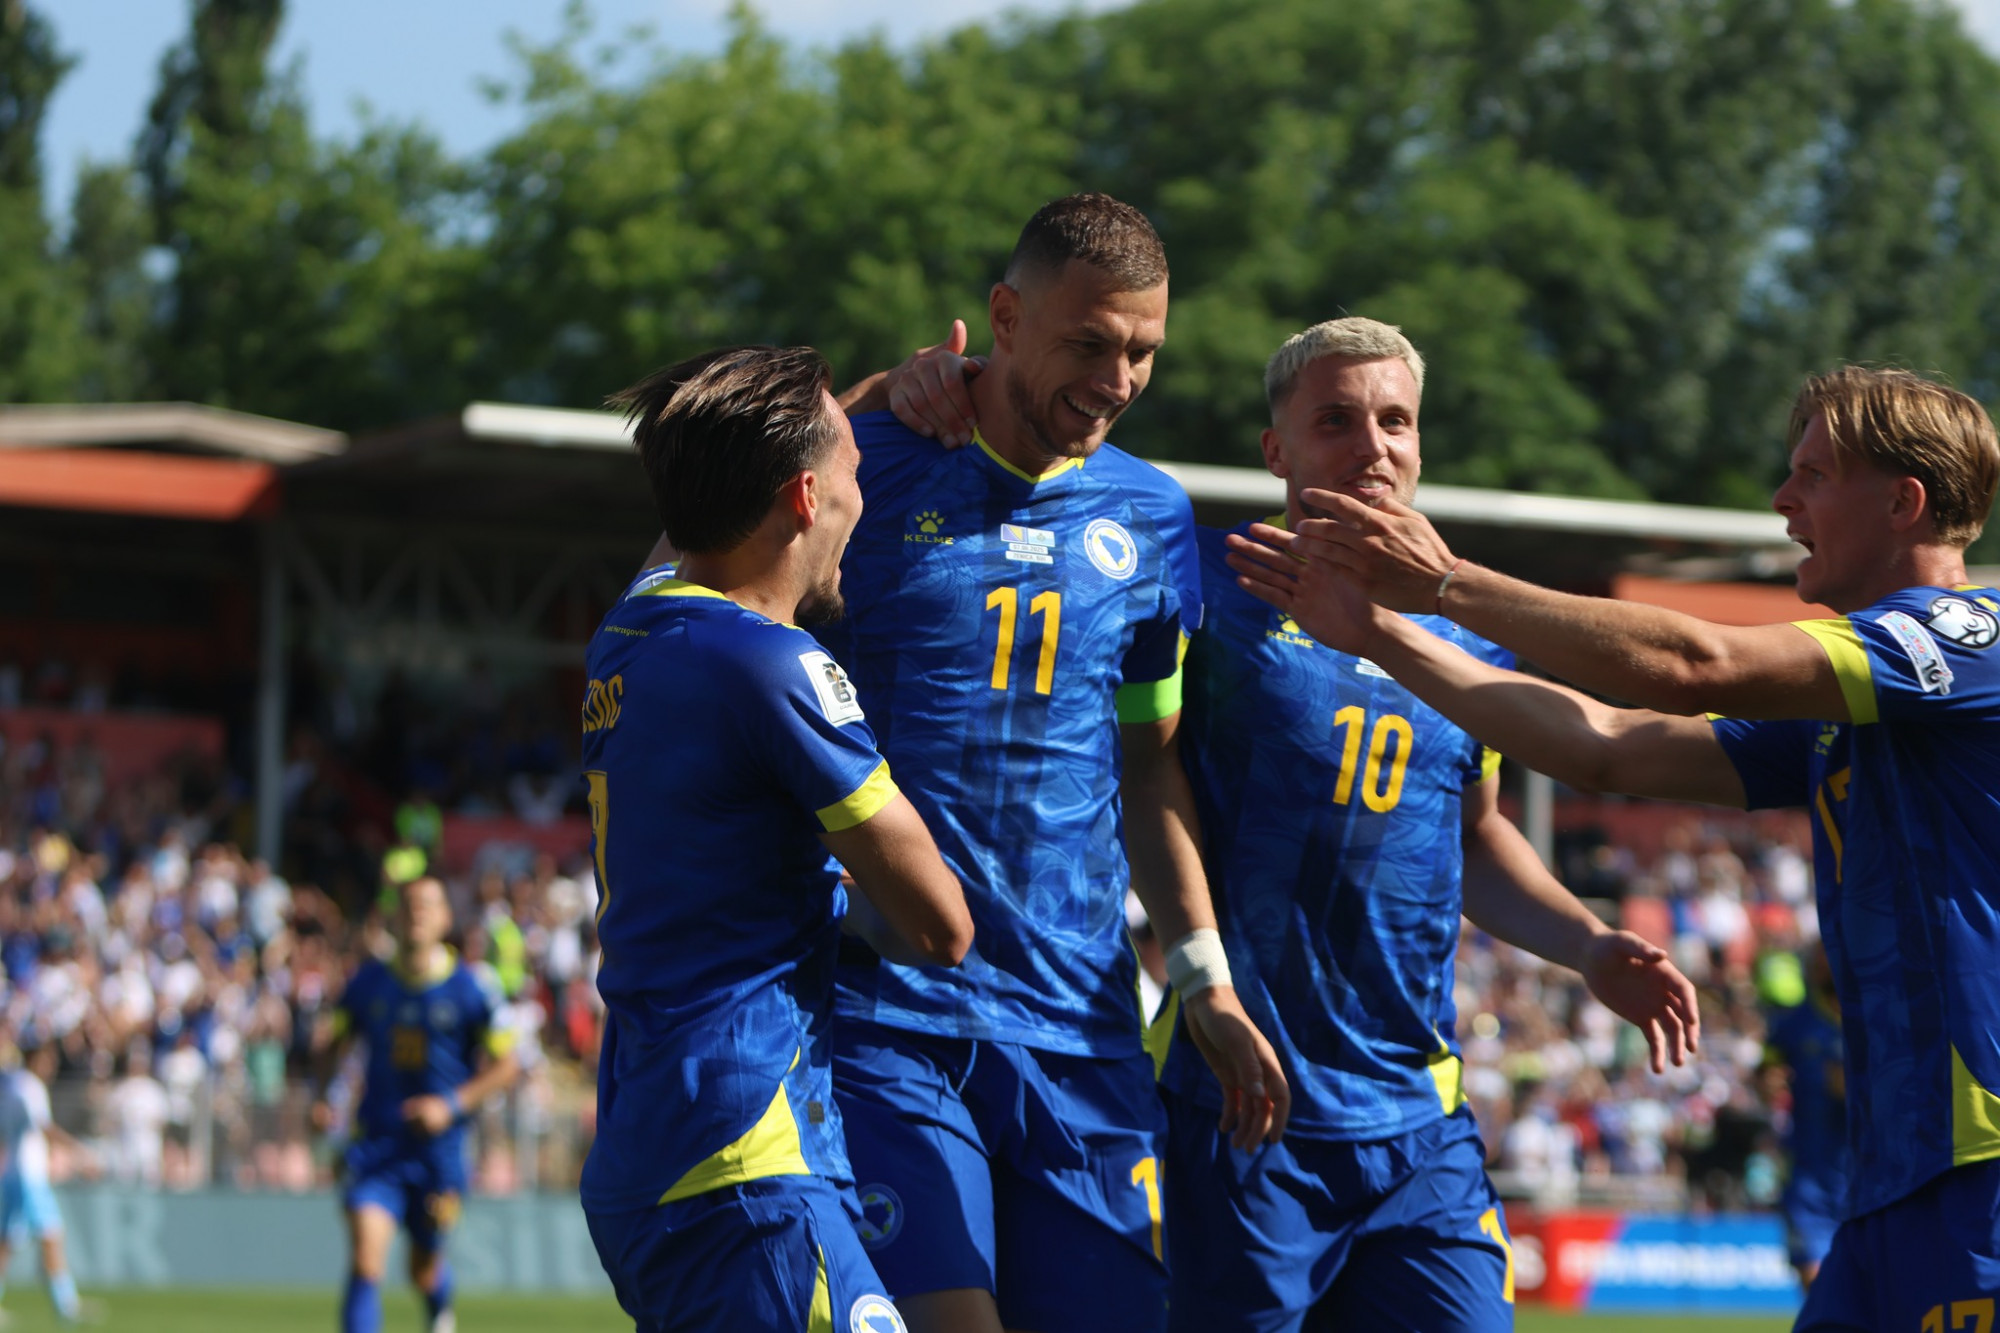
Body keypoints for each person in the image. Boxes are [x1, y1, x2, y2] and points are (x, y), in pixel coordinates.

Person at [877, 315, 1697, 1331]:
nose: (1371, 446)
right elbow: (1147, 771)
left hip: (1418, 1120)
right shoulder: (1203, 585)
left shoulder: (1471, 634)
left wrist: (1587, 943)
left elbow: (1475, 837)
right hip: (1242, 1103)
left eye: (1394, 421)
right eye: (1334, 421)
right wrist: (1201, 978)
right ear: (1277, 451)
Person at [1226, 363, 2000, 1332]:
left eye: (1812, 474)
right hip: (1895, 1182)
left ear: (1901, 503)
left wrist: (1446, 585)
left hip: (1980, 1176)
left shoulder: (1969, 639)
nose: (1781, 499)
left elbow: (1694, 662)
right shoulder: (1851, 707)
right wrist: (1382, 635)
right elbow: (1604, 745)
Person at [825, 192, 1287, 1333]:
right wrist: (857, 402)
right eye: (1089, 343)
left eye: (1143, 351)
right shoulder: (863, 469)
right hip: (889, 1010)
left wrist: (1201, 975)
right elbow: (685, 604)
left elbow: (1149, 769)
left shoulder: (1155, 515)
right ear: (1003, 318)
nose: (1118, 379)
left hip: (1081, 1028)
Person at [580, 345, 971, 1333]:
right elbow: (941, 925)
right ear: (802, 497)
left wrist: (861, 400)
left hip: (651, 1150)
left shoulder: (628, 630)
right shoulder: (776, 666)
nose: (861, 502)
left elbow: (687, 520)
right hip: (746, 1157)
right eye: (854, 473)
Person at [312, 876, 519, 1333]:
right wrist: (322, 1096)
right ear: (393, 917)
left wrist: (451, 1105)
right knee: (366, 1259)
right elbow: (333, 1043)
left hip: (439, 1154)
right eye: (408, 905)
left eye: (428, 904)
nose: (417, 912)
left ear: (445, 918)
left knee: (422, 1269)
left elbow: (507, 1065)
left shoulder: (471, 988)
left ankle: (439, 1312)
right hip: (377, 1144)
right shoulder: (368, 983)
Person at [1762, 942, 1848, 1290]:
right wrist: (1770, 1081)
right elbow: (1767, 1071)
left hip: (1867, 1171)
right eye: (1815, 959)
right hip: (1809, 1172)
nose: (1819, 966)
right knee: (1816, 1283)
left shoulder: (1876, 1015)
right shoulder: (1795, 1022)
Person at [0, 1043, 92, 1326]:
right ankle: (66, 1304)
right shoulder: (30, 1087)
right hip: (29, 1175)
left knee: (7, 1241)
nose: (51, 1065)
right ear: (35, 1059)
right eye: (47, 1059)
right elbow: (42, 1125)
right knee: (51, 1235)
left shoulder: (10, 1087)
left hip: (13, 1172)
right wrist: (78, 1151)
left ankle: (65, 1303)